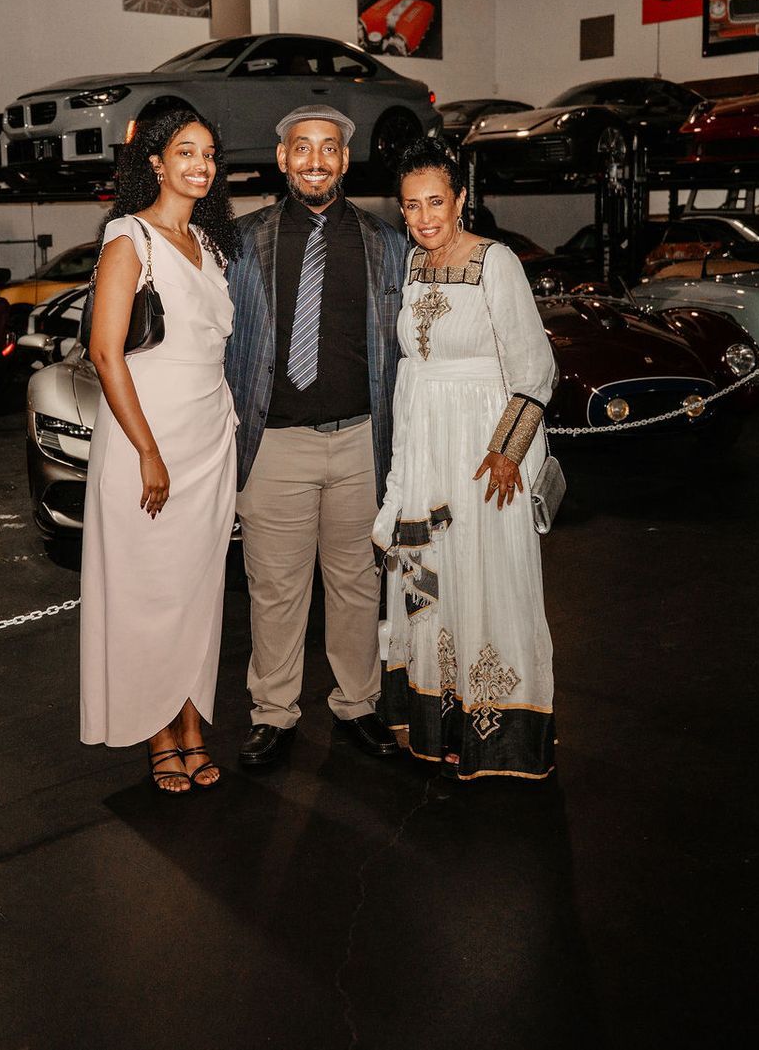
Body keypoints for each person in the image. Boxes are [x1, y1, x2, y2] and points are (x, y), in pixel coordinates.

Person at [224, 105, 409, 768]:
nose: (315, 160)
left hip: (362, 443)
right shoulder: (240, 242)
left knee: (359, 582)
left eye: (328, 149)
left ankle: (357, 702)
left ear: (345, 160)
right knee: (275, 587)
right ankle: (273, 712)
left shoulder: (386, 244)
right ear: (282, 160)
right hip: (274, 446)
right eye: (302, 148)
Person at [374, 137, 558, 780]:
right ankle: (435, 716)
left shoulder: (495, 261)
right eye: (411, 207)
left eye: (436, 202)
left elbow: (536, 367)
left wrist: (508, 451)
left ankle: (495, 733)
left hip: (483, 450)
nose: (425, 218)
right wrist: (400, 475)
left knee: (488, 574)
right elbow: (411, 370)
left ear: (459, 199)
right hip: (425, 445)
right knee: (426, 574)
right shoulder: (414, 267)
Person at [79, 109, 241, 794]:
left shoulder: (210, 241)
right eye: (185, 151)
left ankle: (192, 725)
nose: (199, 165)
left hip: (209, 443)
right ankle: (157, 734)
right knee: (149, 595)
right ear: (155, 161)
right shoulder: (129, 239)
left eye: (208, 153)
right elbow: (104, 353)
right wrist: (147, 450)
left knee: (197, 596)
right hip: (149, 445)